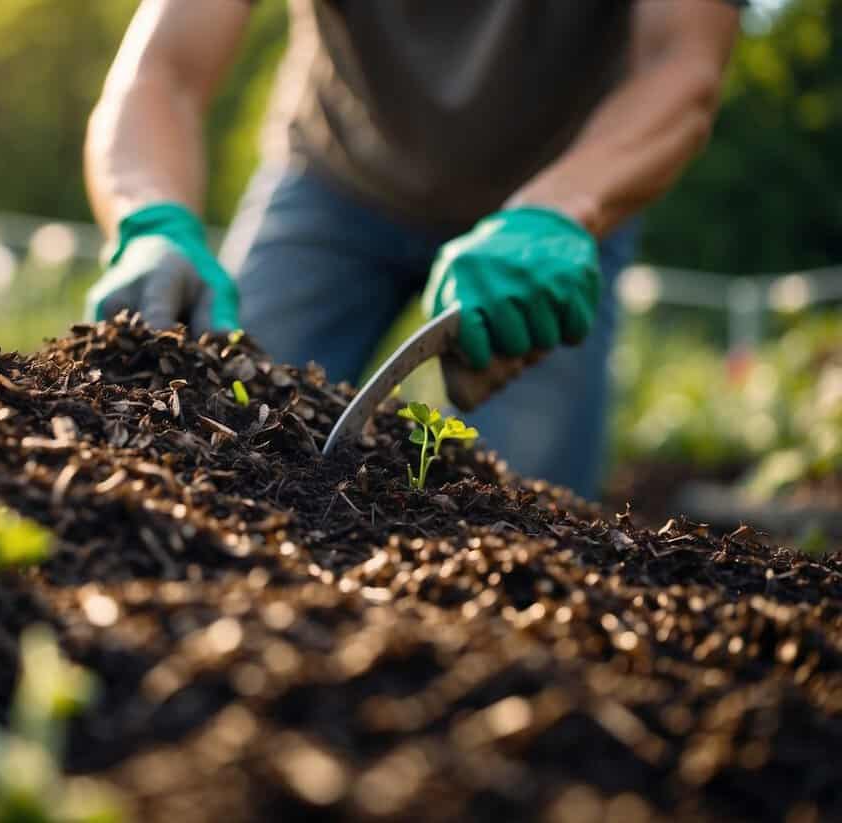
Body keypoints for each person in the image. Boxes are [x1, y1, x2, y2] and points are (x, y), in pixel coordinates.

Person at [83, 0, 743, 499]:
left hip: (552, 215)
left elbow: (681, 63)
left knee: (529, 511)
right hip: (334, 178)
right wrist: (151, 217)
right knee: (210, 439)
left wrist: (560, 211)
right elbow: (160, 73)